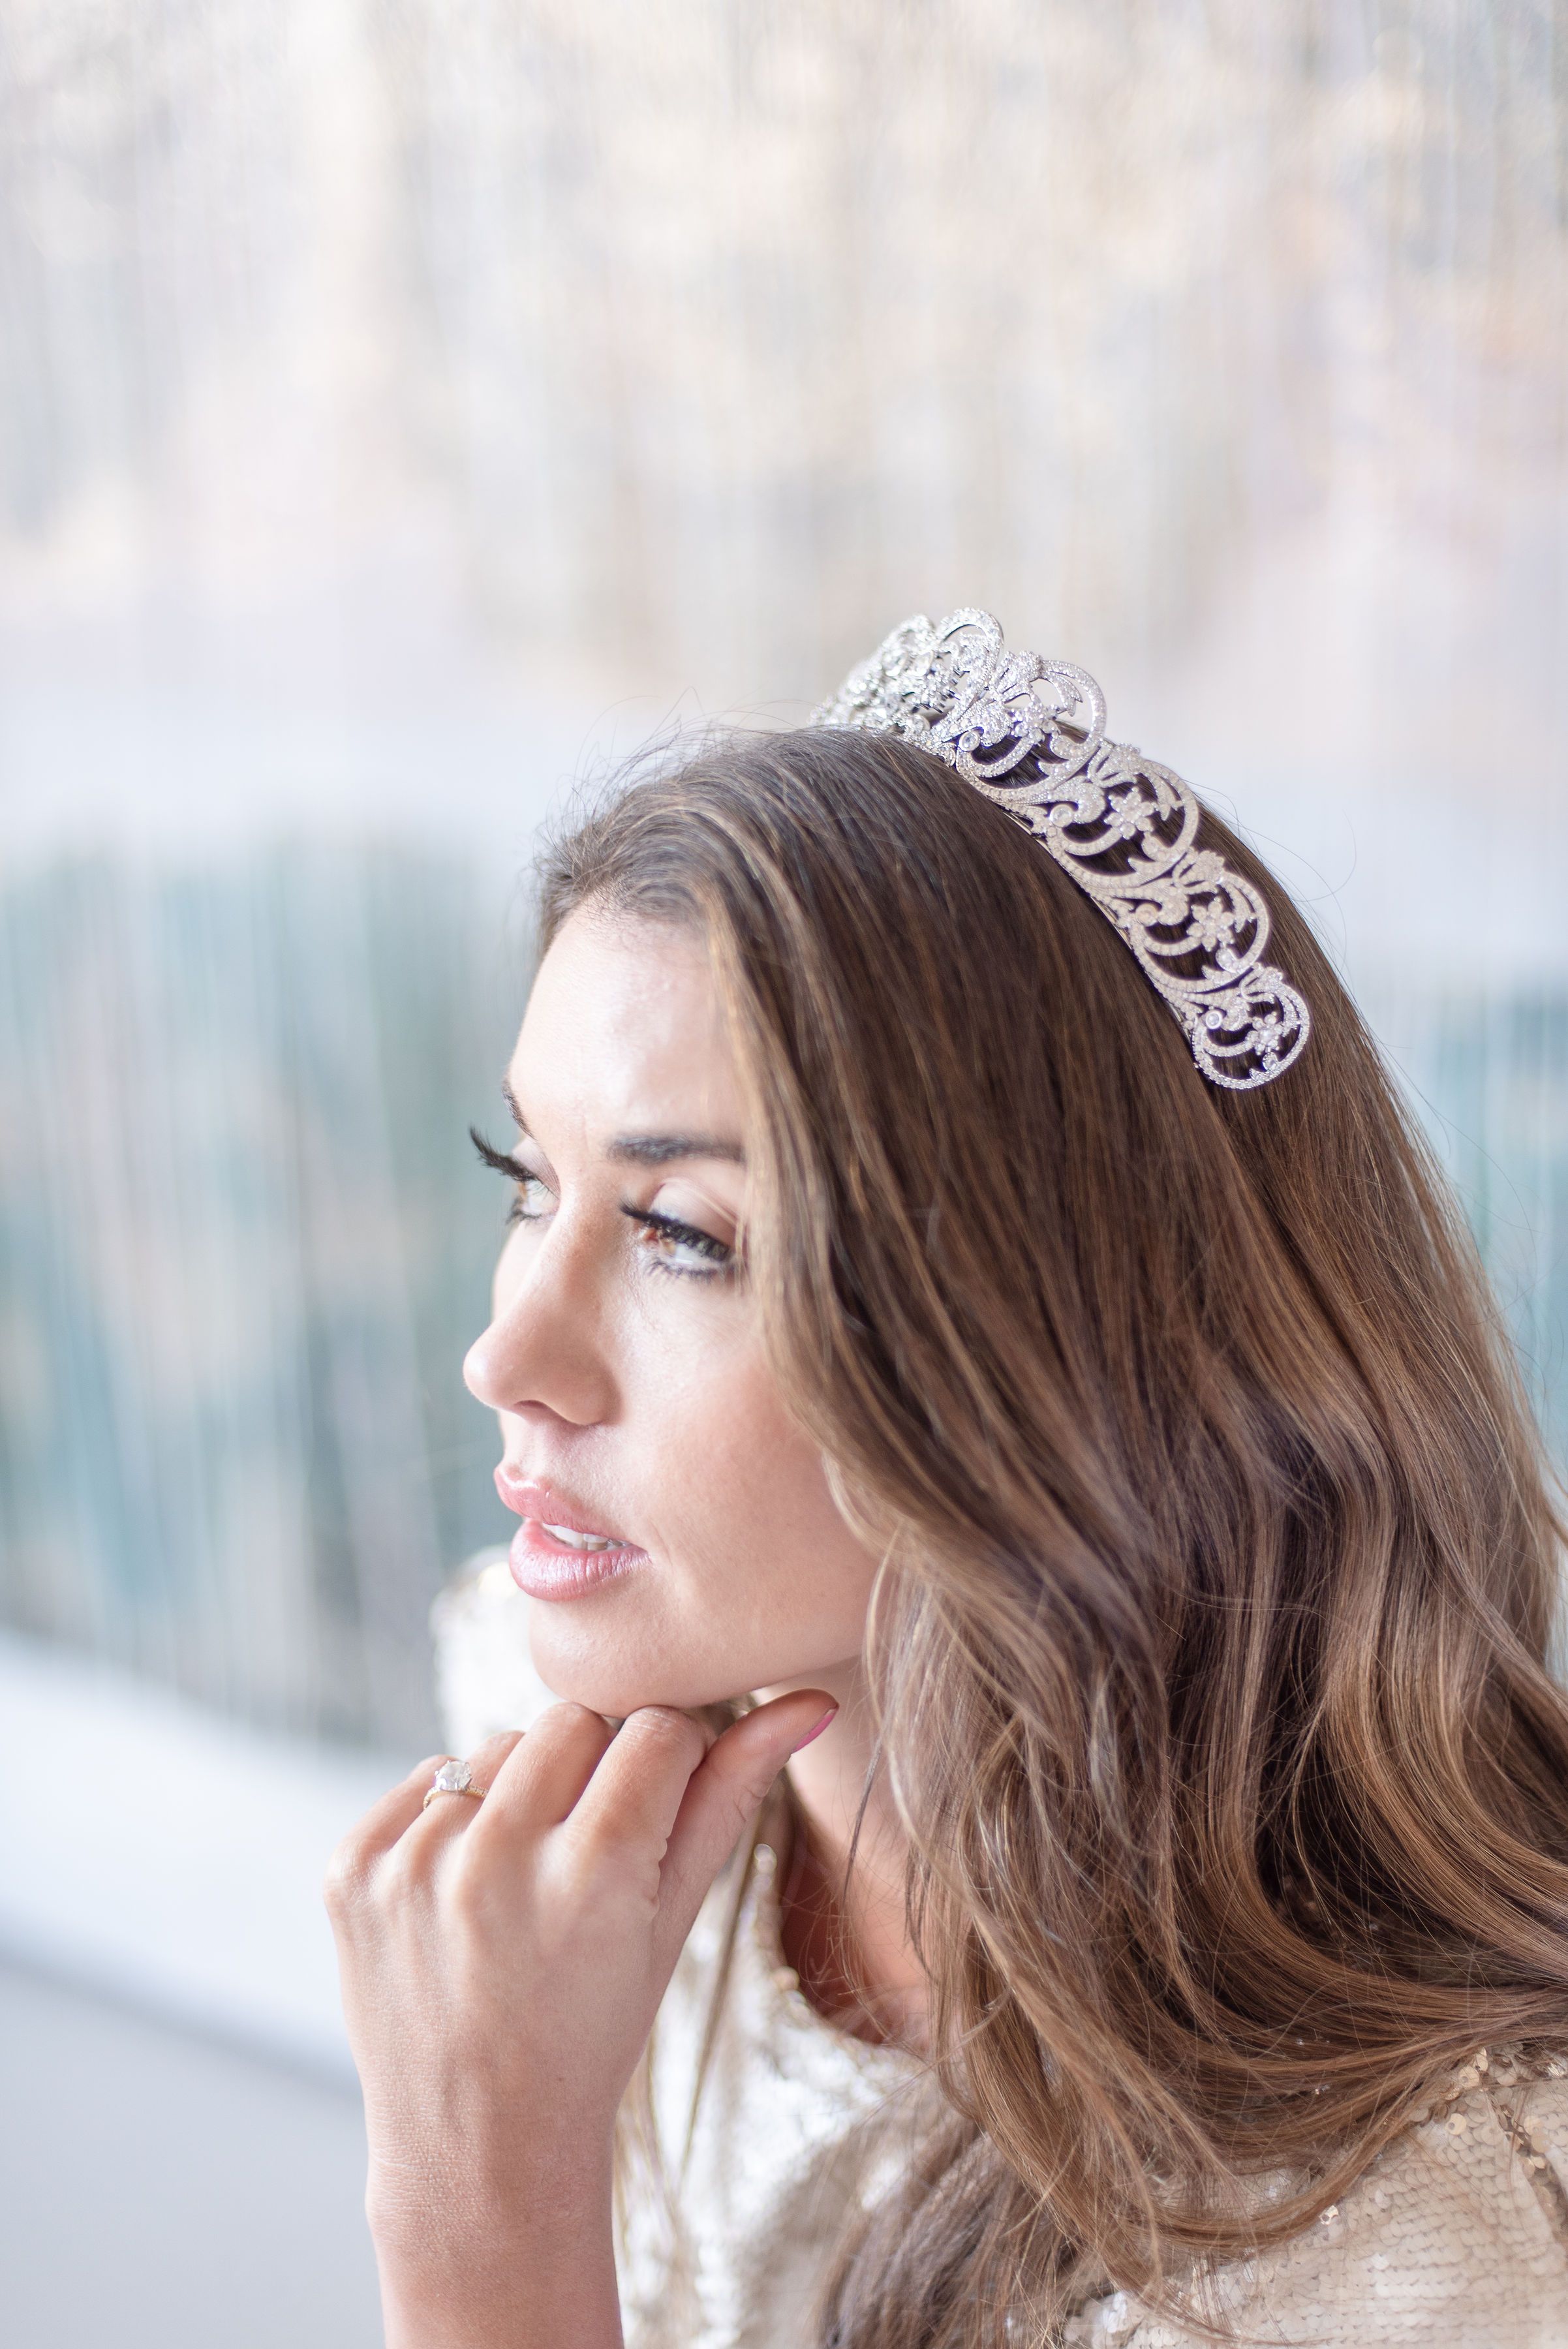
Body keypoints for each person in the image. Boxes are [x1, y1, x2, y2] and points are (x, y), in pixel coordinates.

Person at [326, 612, 1568, 2349]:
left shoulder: (1416, 2246)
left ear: (1054, 1337)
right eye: (528, 1178)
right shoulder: (543, 1789)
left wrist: (475, 2221)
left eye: (683, 1235)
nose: (506, 1354)